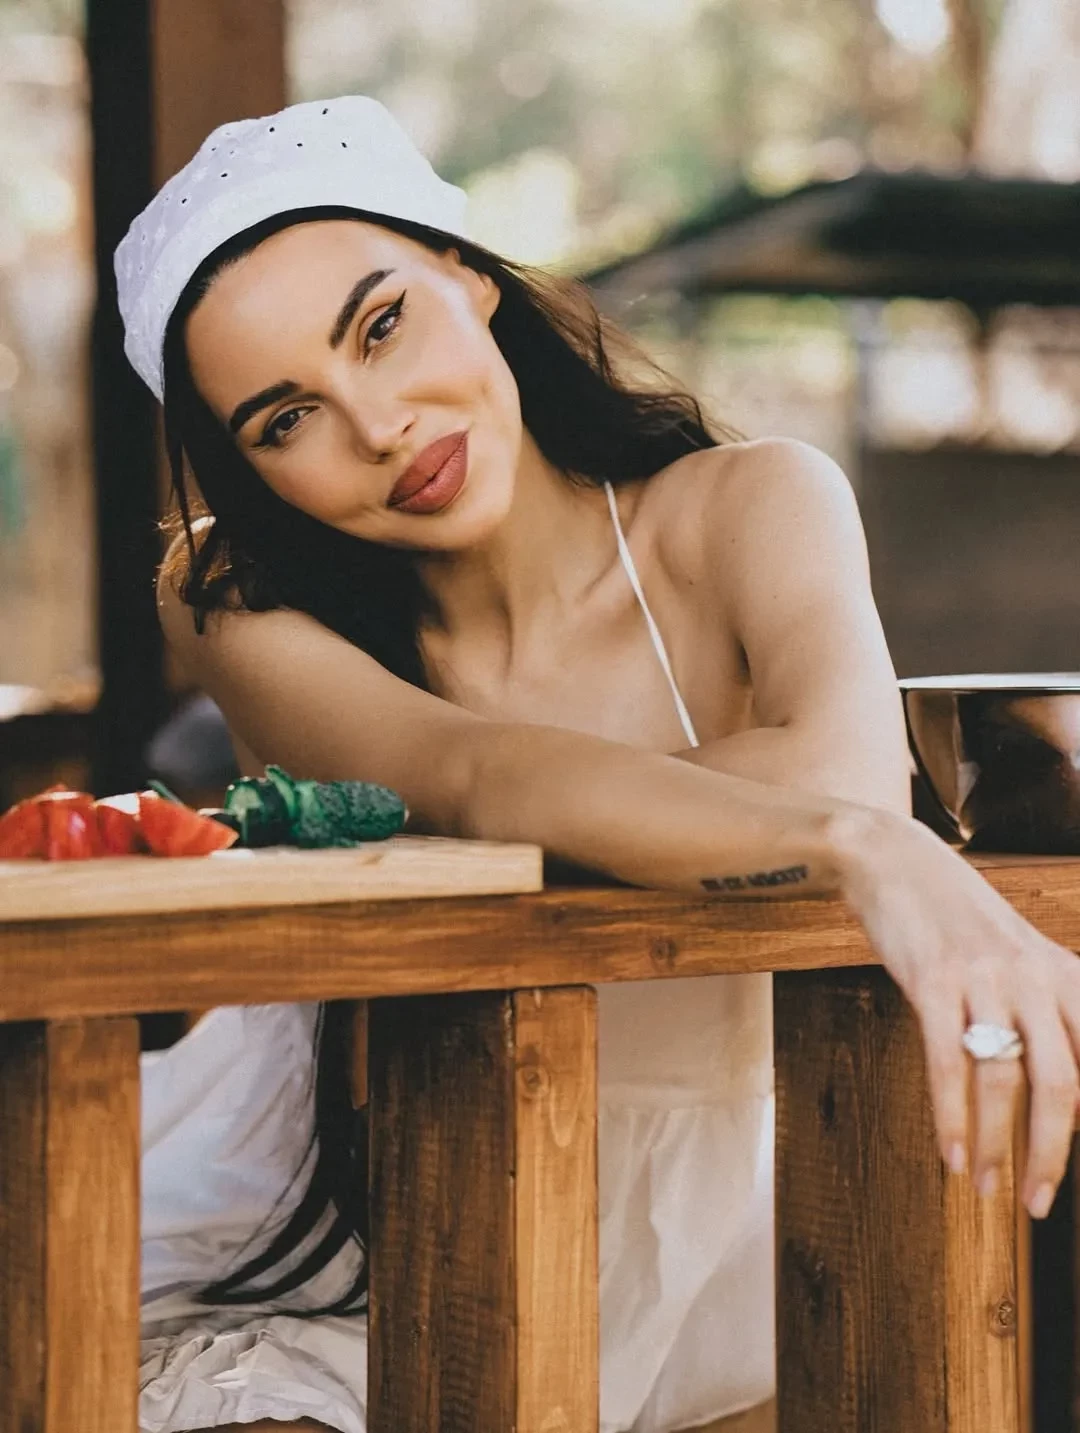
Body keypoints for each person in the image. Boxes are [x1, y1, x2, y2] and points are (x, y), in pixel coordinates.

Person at [115, 96, 1080, 1433]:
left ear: (467, 273)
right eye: (287, 420)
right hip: (370, 1227)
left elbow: (844, 776)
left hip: (740, 1236)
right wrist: (869, 843)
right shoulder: (234, 601)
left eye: (382, 326)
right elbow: (471, 771)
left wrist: (838, 813)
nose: (379, 426)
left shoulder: (755, 502)